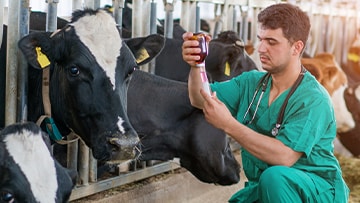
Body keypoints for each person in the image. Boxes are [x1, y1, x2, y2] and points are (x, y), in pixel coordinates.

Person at [181, 3, 349, 203]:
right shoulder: (251, 83)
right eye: (261, 40)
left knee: (275, 178)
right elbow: (200, 99)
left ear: (297, 47)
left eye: (272, 42)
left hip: (315, 192)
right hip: (267, 189)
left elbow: (284, 157)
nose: (261, 48)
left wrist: (228, 124)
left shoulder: (313, 99)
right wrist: (196, 64)